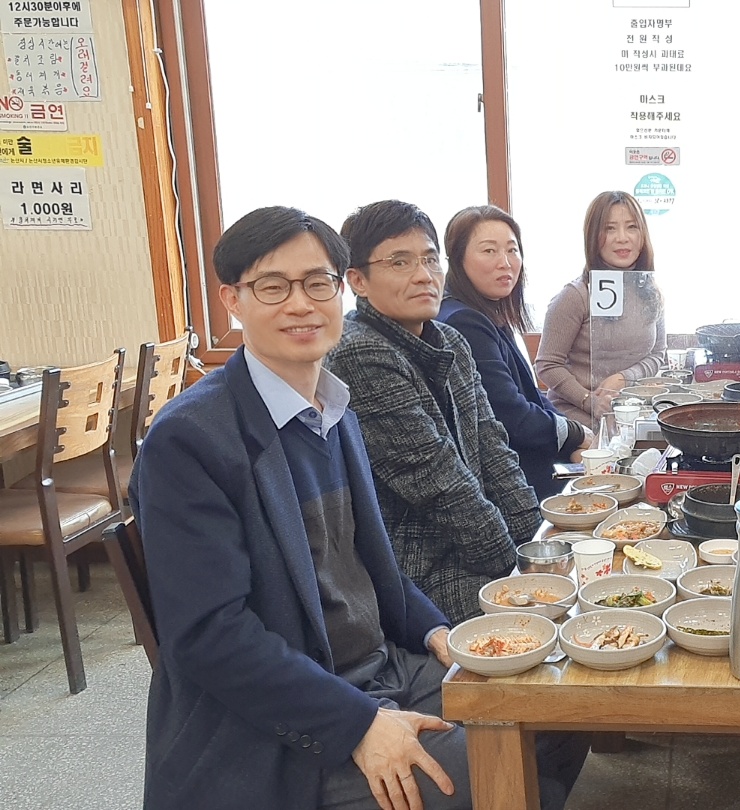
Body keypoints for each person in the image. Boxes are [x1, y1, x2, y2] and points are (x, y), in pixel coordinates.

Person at [131, 206, 467, 810]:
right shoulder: (190, 439)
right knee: (500, 762)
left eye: (317, 283)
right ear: (232, 300)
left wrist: (435, 629)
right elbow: (208, 635)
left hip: (383, 669)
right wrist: (359, 724)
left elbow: (369, 566)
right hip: (285, 724)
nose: (301, 305)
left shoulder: (334, 409)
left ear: (341, 290)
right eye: (272, 287)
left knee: (556, 719)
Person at [324, 200, 542, 623]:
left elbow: (493, 448)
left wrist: (535, 544)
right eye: (399, 262)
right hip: (421, 573)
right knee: (565, 619)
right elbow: (437, 482)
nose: (423, 275)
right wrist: (515, 569)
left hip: (472, 550)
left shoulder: (449, 339)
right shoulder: (359, 351)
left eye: (429, 259)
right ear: (357, 280)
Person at [437, 205, 591, 499]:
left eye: (512, 250)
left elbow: (531, 396)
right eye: (489, 251)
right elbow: (511, 417)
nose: (505, 262)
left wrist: (575, 434)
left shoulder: (487, 312)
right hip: (511, 486)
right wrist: (577, 434)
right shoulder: (463, 321)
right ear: (457, 258)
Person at [535, 190, 666, 426]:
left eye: (632, 227)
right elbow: (547, 365)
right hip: (577, 415)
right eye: (609, 229)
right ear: (593, 236)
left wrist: (625, 378)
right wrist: (589, 401)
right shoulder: (575, 295)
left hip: (632, 411)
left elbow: (658, 354)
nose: (622, 238)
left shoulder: (649, 290)